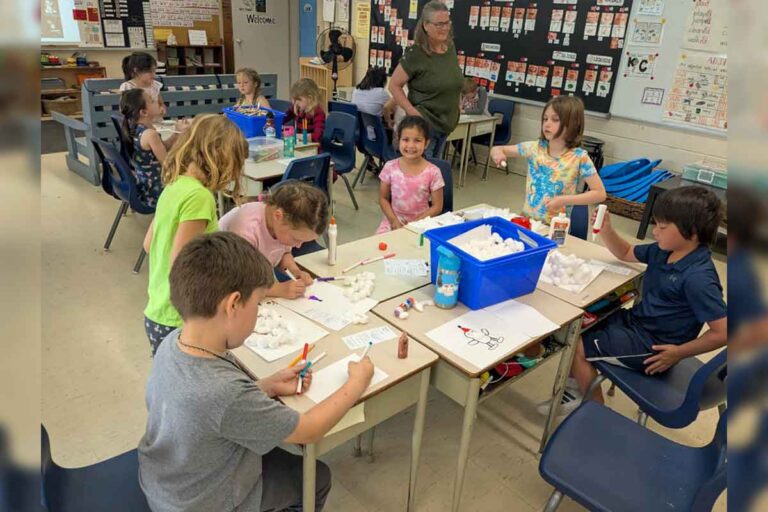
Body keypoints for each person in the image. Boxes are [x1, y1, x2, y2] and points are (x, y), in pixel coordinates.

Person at [138, 231, 374, 511]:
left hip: (167, 479)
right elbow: (309, 430)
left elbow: (208, 412)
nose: (259, 311)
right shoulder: (223, 393)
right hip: (204, 501)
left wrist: (268, 385)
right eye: (258, 303)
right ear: (233, 304)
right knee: (317, 477)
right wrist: (357, 383)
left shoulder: (173, 342)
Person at [542, 187, 728, 416]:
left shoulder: (699, 277)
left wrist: (679, 352)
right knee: (579, 323)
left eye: (662, 227)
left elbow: (723, 332)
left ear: (693, 233)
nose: (655, 232)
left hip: (654, 348)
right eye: (656, 224)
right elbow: (626, 252)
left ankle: (595, 411)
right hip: (637, 323)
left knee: (576, 345)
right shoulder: (665, 250)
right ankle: (578, 386)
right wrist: (607, 230)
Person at [142, 114, 248, 355]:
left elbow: (148, 244)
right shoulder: (199, 197)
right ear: (222, 158)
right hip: (180, 319)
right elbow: (182, 264)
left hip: (157, 310)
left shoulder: (175, 184)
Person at [490, 95, 606, 224]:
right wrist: (497, 153)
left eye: (555, 120)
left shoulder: (579, 157)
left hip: (556, 228)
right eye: (545, 119)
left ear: (573, 125)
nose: (547, 124)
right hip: (527, 222)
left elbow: (600, 193)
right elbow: (498, 149)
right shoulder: (534, 148)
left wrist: (565, 200)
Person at [220, 181, 328, 300]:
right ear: (278, 216)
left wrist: (295, 272)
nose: (298, 246)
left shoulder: (281, 225)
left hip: (259, 278)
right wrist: (280, 289)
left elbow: (282, 253)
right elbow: (240, 283)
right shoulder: (246, 231)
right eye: (296, 239)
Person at [388, 0, 464, 158]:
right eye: (439, 24)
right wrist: (412, 112)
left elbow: (452, 80)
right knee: (422, 172)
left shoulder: (450, 47)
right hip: (424, 126)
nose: (445, 28)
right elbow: (394, 85)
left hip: (445, 126)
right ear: (426, 25)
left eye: (447, 23)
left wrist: (457, 102)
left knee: (433, 170)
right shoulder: (416, 54)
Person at [118, 89, 188, 208]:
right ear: (144, 112)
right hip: (156, 192)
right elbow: (168, 164)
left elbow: (162, 147)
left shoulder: (136, 127)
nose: (157, 101)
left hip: (144, 186)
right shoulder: (150, 134)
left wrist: (177, 132)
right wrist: (186, 142)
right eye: (152, 101)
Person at [377, 115, 444, 233]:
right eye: (405, 139)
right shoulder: (390, 167)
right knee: (380, 243)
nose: (411, 146)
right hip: (394, 221)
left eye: (417, 140)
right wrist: (394, 221)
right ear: (398, 140)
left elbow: (437, 206)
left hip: (421, 223)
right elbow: (383, 198)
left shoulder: (433, 172)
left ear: (426, 143)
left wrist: (416, 223)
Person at [119, 52, 165, 117]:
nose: (154, 75)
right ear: (136, 70)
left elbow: (161, 104)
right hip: (137, 122)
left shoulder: (155, 85)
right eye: (150, 71)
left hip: (156, 121)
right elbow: (125, 110)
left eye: (154, 71)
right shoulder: (128, 87)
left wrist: (162, 109)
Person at [283, 78, 326, 143]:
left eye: (299, 99)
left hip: (312, 147)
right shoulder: (299, 108)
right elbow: (282, 118)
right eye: (294, 99)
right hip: (300, 144)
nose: (295, 103)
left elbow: (317, 137)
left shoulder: (318, 113)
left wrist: (296, 136)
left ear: (310, 98)